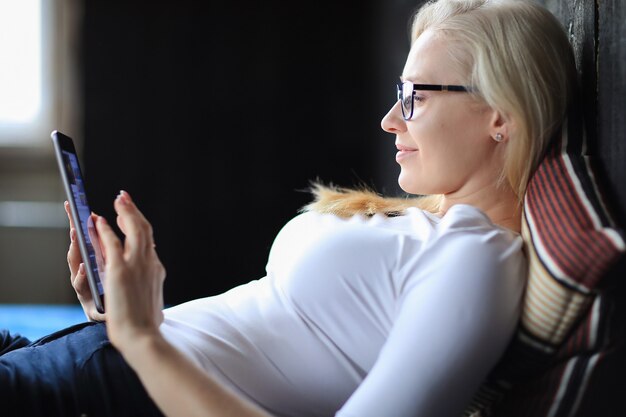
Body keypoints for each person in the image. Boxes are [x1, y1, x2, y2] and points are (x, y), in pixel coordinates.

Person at [0, 0, 578, 416]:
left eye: (415, 96)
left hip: (104, 391)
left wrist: (142, 339)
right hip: (84, 361)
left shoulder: (478, 258)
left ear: (500, 114)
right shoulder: (432, 225)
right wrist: (118, 311)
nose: (390, 120)